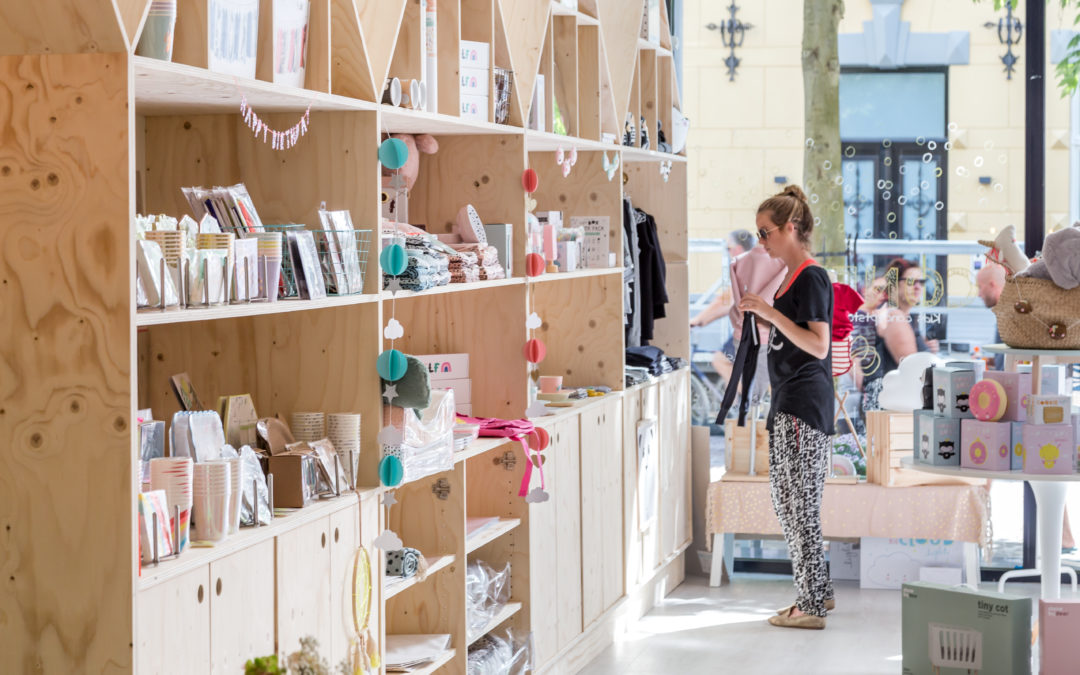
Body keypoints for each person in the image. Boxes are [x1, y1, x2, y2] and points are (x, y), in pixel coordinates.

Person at [738, 186, 834, 629]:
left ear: (791, 228)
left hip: (803, 404)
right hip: (790, 401)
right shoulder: (793, 277)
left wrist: (771, 315)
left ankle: (811, 605)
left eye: (766, 232)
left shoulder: (811, 276)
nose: (762, 242)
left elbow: (818, 345)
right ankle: (817, 594)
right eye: (759, 233)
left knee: (799, 505)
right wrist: (766, 316)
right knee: (788, 500)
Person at [690, 230, 785, 385]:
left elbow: (725, 301)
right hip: (767, 331)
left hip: (754, 332)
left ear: (738, 249)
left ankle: (750, 399)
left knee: (721, 361)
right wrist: (703, 320)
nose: (728, 252)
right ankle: (743, 402)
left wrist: (697, 320)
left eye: (728, 248)